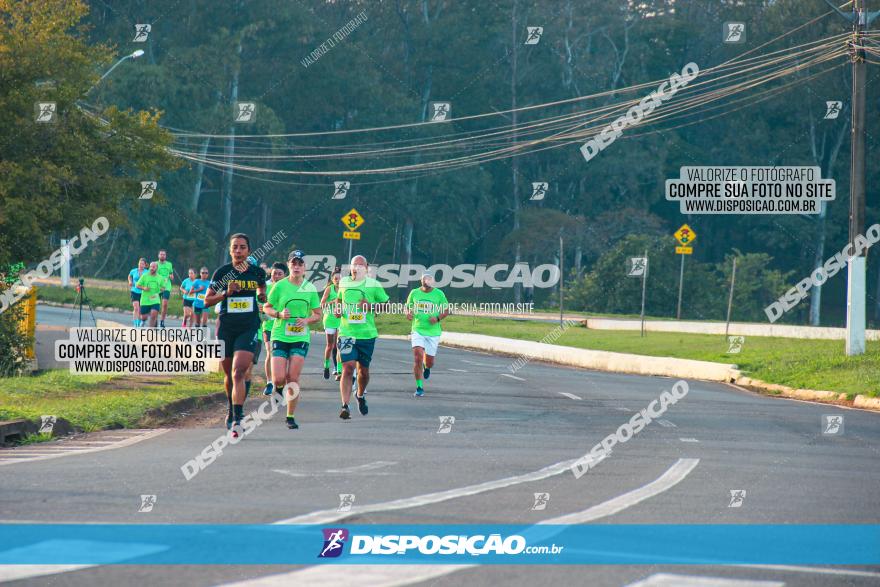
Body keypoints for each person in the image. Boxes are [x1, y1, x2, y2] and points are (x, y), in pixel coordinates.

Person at [203, 234, 267, 438]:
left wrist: (262, 296)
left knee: (239, 371)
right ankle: (231, 409)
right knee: (229, 375)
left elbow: (261, 289)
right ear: (230, 251)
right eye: (235, 248)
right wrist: (225, 294)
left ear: (249, 251)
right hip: (226, 328)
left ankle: (238, 419)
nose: (238, 251)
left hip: (248, 327)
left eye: (242, 247)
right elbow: (206, 301)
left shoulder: (257, 272)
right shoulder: (222, 273)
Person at [263, 250, 321, 429]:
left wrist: (307, 320)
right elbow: (267, 307)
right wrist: (279, 314)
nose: (296, 267)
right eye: (293, 263)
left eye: (300, 264)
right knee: (279, 378)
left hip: (300, 336)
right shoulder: (279, 286)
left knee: (293, 377)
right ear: (288, 265)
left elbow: (318, 314)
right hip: (280, 334)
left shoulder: (310, 288)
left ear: (305, 268)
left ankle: (290, 416)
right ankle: (278, 390)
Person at [334, 255, 389, 420]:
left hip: (367, 335)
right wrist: (337, 309)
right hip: (346, 333)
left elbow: (386, 305)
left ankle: (359, 394)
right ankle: (345, 405)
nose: (357, 268)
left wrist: (371, 306)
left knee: (363, 372)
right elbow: (338, 299)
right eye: (354, 265)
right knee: (348, 368)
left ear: (366, 268)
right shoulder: (343, 282)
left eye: (360, 265)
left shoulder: (374, 285)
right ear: (350, 268)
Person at [405, 273, 450, 397]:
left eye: (429, 279)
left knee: (429, 362)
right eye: (424, 279)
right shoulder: (414, 293)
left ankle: (427, 367)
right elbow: (408, 307)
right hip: (417, 330)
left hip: (433, 332)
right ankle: (419, 387)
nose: (426, 281)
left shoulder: (439, 294)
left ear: (433, 282)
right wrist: (408, 313)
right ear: (421, 281)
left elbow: (446, 310)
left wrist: (437, 318)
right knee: (418, 356)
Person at [261, 262, 287, 396]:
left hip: (285, 326)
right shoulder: (265, 286)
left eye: (279, 274)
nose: (276, 276)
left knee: (283, 356)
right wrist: (262, 311)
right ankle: (270, 382)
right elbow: (260, 303)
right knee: (270, 353)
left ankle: (281, 382)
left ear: (285, 275)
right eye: (274, 274)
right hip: (269, 325)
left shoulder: (289, 287)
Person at [320, 269, 342, 381]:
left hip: (340, 319)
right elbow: (322, 304)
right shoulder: (329, 289)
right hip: (329, 319)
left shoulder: (345, 289)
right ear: (332, 280)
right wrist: (333, 302)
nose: (338, 281)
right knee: (330, 345)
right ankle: (326, 367)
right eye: (336, 279)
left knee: (339, 346)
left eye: (340, 278)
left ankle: (339, 370)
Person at [135, 261, 166, 328]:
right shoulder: (145, 276)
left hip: (155, 299)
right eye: (151, 267)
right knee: (144, 317)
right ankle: (143, 321)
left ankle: (151, 329)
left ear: (157, 268)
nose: (151, 268)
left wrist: (161, 289)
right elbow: (137, 285)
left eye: (153, 267)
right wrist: (144, 288)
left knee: (153, 315)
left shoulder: (160, 277)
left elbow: (163, 287)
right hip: (145, 300)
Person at [156, 250, 174, 328]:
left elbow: (171, 274)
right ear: (158, 255)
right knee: (156, 305)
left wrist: (171, 276)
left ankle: (162, 321)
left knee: (165, 304)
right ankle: (155, 321)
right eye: (161, 254)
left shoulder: (169, 264)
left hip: (166, 286)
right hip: (157, 287)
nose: (162, 256)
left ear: (165, 256)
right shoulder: (155, 264)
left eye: (164, 254)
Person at [127, 258, 147, 327]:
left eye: (143, 264)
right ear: (138, 263)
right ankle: (135, 324)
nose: (141, 265)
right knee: (136, 308)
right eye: (140, 263)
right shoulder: (133, 271)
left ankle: (139, 322)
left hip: (143, 292)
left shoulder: (147, 272)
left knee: (141, 310)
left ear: (145, 265)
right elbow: (129, 276)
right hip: (134, 291)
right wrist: (130, 281)